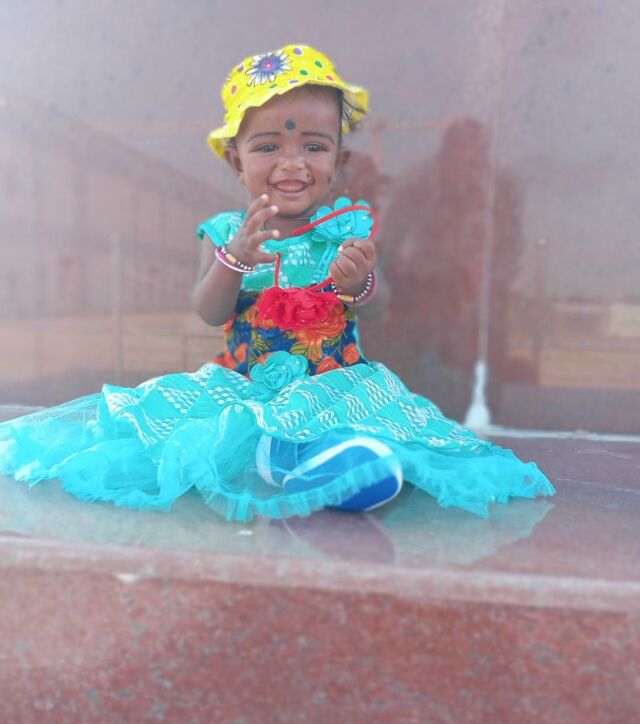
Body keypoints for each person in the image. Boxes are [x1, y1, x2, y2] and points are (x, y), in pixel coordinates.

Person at [0, 44, 554, 522]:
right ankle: (283, 456)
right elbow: (209, 311)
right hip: (246, 382)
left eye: (313, 146)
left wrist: (360, 282)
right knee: (205, 431)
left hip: (335, 382)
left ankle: (324, 461)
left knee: (378, 433)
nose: (292, 163)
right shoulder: (227, 232)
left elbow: (379, 306)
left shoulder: (345, 231)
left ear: (338, 161)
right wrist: (234, 261)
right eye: (268, 147)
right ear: (236, 162)